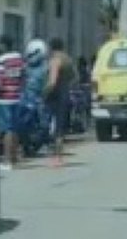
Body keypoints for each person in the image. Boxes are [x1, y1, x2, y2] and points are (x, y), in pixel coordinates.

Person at [0, 36, 24, 171]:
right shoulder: (19, 59)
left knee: (7, 129)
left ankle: (7, 160)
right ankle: (14, 157)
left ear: (3, 45)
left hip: (4, 98)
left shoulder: (1, 61)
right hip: (16, 96)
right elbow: (23, 76)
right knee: (14, 128)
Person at [44, 37, 77, 167]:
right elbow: (75, 77)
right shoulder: (68, 59)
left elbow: (52, 81)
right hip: (65, 93)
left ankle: (55, 156)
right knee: (60, 127)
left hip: (55, 95)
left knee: (51, 125)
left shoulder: (55, 60)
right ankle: (59, 156)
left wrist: (44, 93)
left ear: (52, 47)